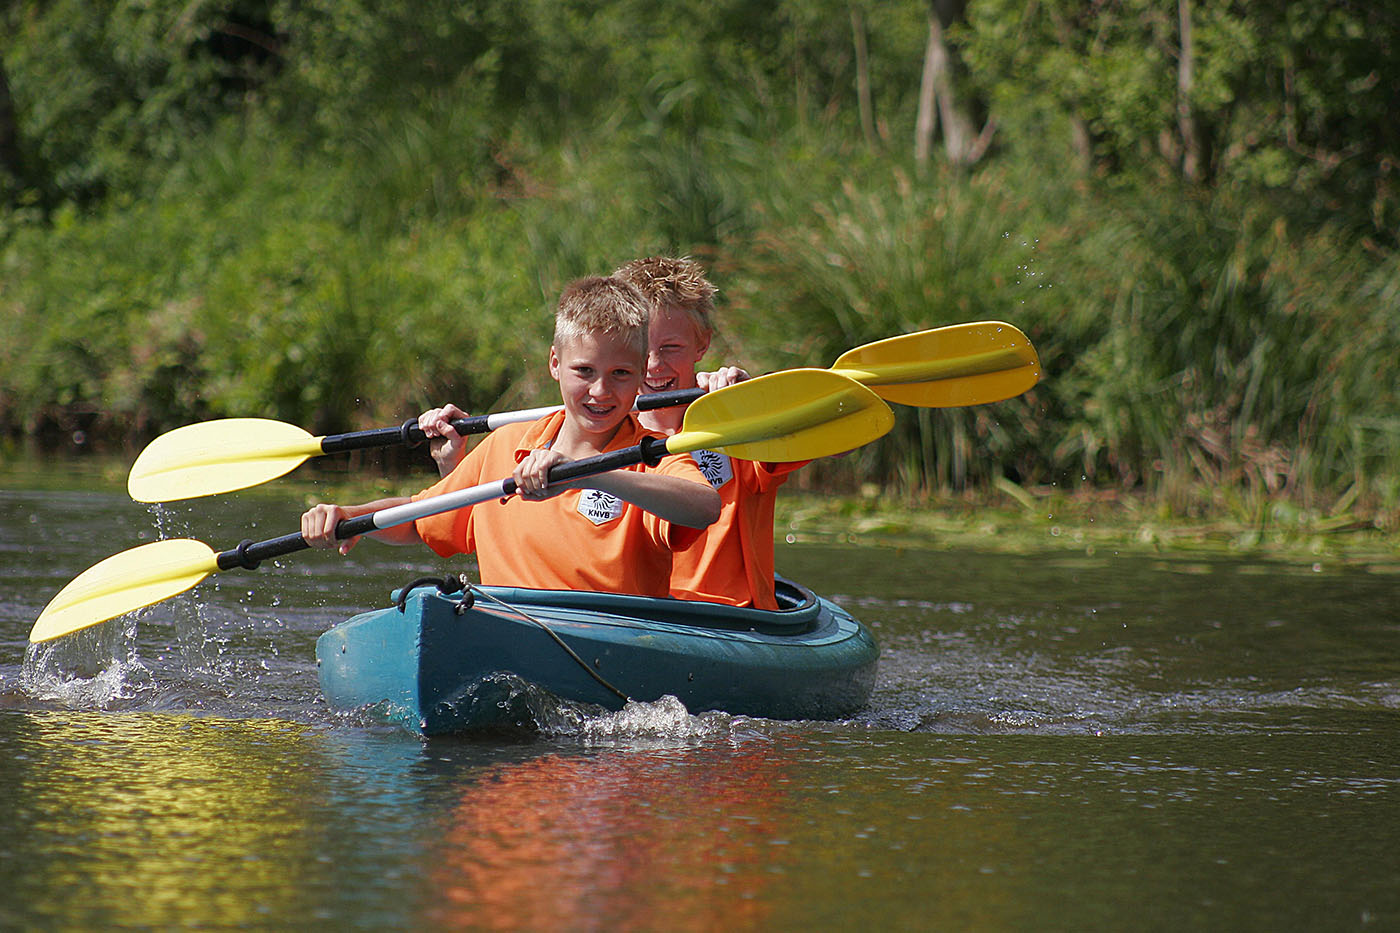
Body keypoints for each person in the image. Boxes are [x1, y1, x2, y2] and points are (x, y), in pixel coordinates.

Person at [300, 276, 720, 598]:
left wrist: (584, 475)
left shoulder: (653, 455)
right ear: (556, 363)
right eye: (584, 371)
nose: (600, 392)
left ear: (639, 374)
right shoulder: (506, 444)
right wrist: (350, 516)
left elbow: (704, 506)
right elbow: (420, 518)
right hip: (511, 628)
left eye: (621, 375)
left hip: (610, 642)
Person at [614, 256, 808, 611]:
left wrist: (754, 402)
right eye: (642, 349)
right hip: (638, 618)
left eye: (670, 347)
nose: (654, 365)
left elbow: (841, 446)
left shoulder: (738, 425)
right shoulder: (598, 434)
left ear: (702, 343)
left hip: (732, 620)